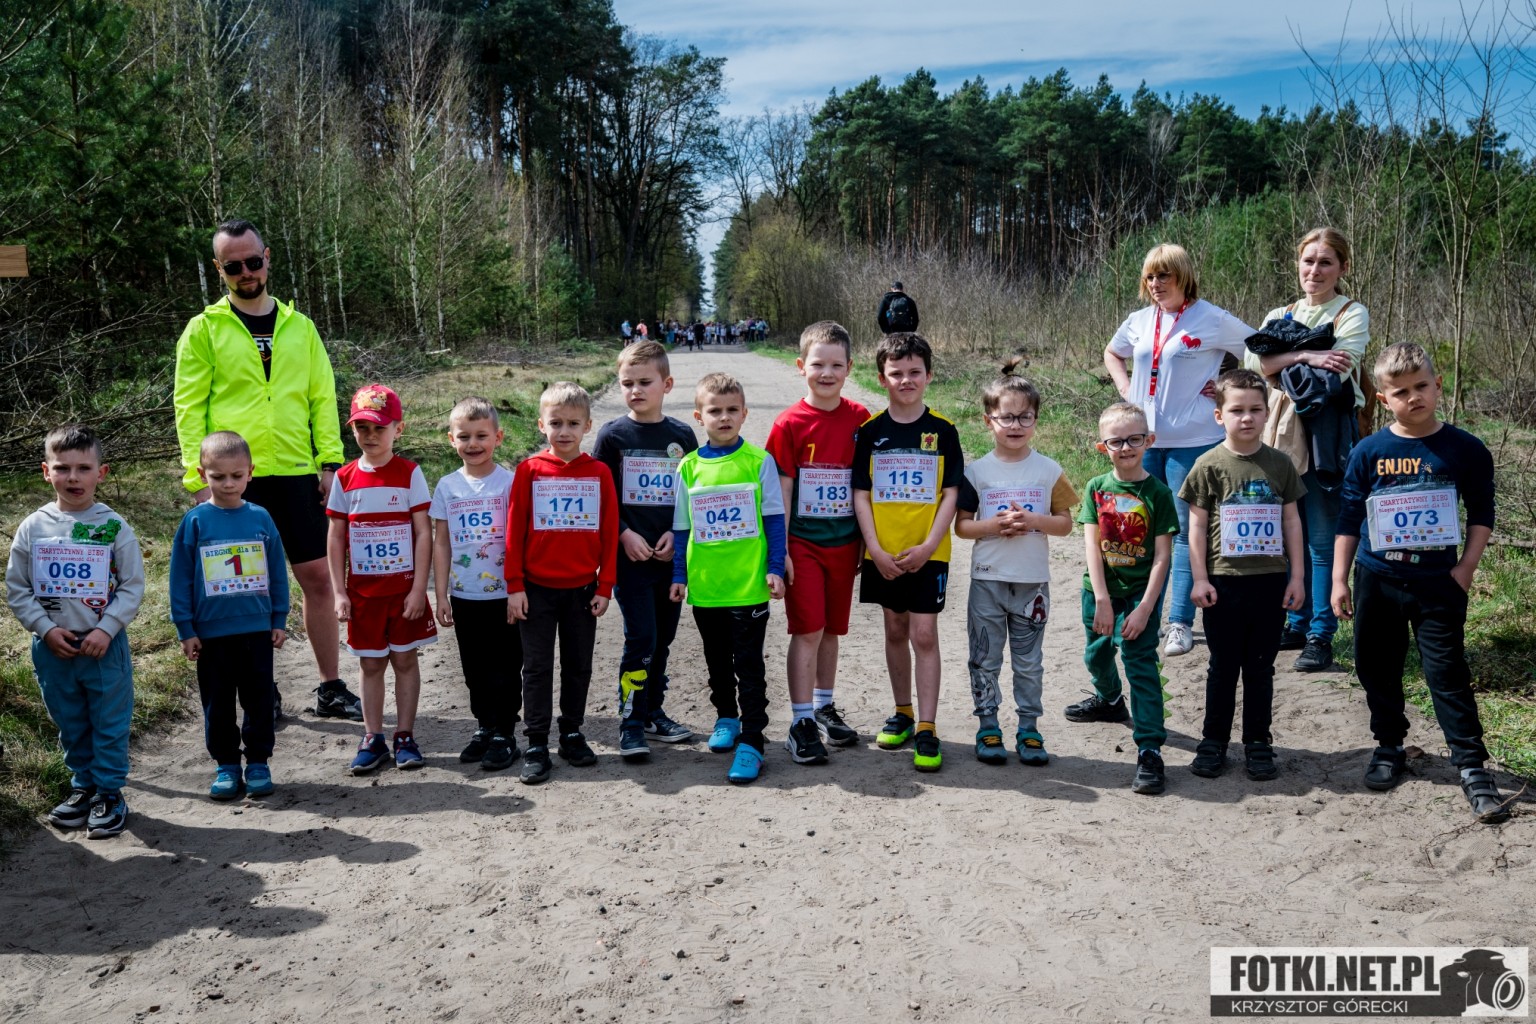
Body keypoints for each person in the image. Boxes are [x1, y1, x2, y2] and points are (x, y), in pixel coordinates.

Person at [173, 219, 360, 723]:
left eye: (253, 261)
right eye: (233, 266)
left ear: (267, 257)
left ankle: (330, 686)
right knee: (246, 587)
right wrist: (198, 478)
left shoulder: (301, 327)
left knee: (318, 578)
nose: (246, 272)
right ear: (219, 269)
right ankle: (262, 689)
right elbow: (189, 408)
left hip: (297, 471)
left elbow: (321, 397)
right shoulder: (204, 329)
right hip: (235, 480)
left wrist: (330, 463)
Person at [1332, 343, 1509, 824]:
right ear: (1382, 399)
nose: (1413, 397)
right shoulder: (1369, 451)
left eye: (1421, 386)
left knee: (1446, 672)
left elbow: (1483, 513)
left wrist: (1466, 569)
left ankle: (1471, 766)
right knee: (1376, 666)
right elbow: (1348, 519)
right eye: (1400, 391)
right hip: (1378, 577)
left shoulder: (1465, 448)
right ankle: (1389, 745)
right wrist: (1339, 580)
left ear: (1438, 386)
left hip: (1438, 583)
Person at [1103, 243, 1254, 658]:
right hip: (1143, 440)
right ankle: (1143, 615)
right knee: (1140, 529)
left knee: (1187, 531)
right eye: (1150, 276)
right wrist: (1125, 388)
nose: (1156, 283)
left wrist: (1227, 387)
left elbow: (1257, 349)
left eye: (1164, 275)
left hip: (1193, 441)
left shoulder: (1211, 317)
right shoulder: (1139, 320)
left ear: (1183, 276)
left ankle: (1180, 623)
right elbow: (1113, 352)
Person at [5, 425, 145, 838]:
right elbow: (17, 588)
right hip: (53, 648)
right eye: (62, 468)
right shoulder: (33, 527)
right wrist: (45, 629)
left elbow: (132, 586)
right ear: (45, 471)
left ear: (101, 473)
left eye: (83, 468)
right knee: (70, 721)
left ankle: (109, 793)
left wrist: (107, 629)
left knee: (109, 721)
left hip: (103, 647)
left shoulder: (113, 526)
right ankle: (83, 787)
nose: (73, 477)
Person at [1247, 228, 1370, 673]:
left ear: (1342, 268)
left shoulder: (1351, 313)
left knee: (1320, 536)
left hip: (1326, 435)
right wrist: (1309, 356)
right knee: (1285, 534)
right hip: (1279, 433)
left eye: (1325, 262)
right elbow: (1255, 365)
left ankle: (1320, 634)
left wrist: (1283, 358)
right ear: (1297, 264)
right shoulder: (1278, 313)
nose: (1314, 270)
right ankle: (1295, 623)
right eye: (1308, 261)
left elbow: (1339, 370)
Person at [1180, 370, 1305, 781]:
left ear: (1268, 413)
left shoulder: (1281, 464)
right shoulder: (1208, 465)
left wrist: (1297, 578)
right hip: (1223, 583)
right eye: (1236, 410)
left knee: (1260, 667)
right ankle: (1213, 741)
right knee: (1223, 666)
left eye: (1255, 409)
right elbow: (1195, 528)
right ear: (1219, 415)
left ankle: (1257, 742)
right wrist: (1200, 578)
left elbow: (1292, 522)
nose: (1246, 418)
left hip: (1270, 581)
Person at [955, 359, 1078, 766]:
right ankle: (988, 726)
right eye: (1006, 417)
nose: (1016, 425)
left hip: (1032, 583)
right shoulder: (976, 472)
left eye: (1025, 417)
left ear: (1036, 420)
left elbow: (1065, 524)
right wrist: (994, 526)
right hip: (987, 580)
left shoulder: (1049, 470)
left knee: (1029, 663)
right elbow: (962, 527)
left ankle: (1029, 728)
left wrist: (1034, 521)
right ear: (988, 420)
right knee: (984, 659)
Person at [851, 332, 963, 772]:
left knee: (924, 635)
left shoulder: (943, 431)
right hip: (884, 554)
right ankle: (903, 712)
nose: (906, 380)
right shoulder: (870, 432)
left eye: (915, 372)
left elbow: (951, 493)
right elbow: (861, 494)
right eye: (896, 373)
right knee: (895, 629)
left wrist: (930, 545)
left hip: (928, 553)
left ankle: (928, 727)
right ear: (882, 378)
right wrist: (875, 549)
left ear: (929, 375)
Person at [670, 372, 787, 783]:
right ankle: (726, 717)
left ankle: (752, 741)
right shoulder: (688, 467)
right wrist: (679, 574)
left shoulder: (758, 461)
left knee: (749, 665)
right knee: (716, 659)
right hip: (707, 586)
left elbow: (774, 519)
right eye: (715, 411)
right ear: (699, 416)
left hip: (748, 585)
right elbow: (681, 526)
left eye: (732, 410)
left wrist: (775, 567)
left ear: (744, 414)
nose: (724, 417)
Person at [764, 321, 870, 764]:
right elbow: (782, 489)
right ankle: (801, 719)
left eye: (836, 365)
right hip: (803, 543)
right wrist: (782, 550)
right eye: (817, 364)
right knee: (807, 628)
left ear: (849, 368)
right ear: (800, 366)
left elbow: (865, 486)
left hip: (844, 543)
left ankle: (825, 706)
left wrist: (866, 541)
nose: (827, 373)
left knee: (831, 629)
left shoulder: (861, 419)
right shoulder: (788, 423)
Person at [505, 382, 618, 785]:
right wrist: (514, 585)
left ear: (588, 425)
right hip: (535, 590)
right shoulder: (530, 470)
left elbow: (609, 531)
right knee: (536, 668)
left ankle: (571, 732)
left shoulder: (599, 472)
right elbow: (514, 530)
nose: (564, 431)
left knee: (578, 665)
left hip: (582, 590)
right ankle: (536, 742)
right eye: (556, 423)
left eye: (573, 423)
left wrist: (605, 586)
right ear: (542, 425)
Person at [170, 431, 290, 800]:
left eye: (236, 475)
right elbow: (180, 578)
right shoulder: (195, 522)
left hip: (256, 630)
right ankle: (226, 764)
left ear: (250, 472)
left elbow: (277, 571)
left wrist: (278, 618)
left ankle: (258, 762)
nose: (228, 483)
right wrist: (185, 628)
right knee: (217, 704)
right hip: (211, 635)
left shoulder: (261, 517)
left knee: (258, 700)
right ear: (201, 474)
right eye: (218, 476)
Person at [593, 341, 699, 760]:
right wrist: (623, 534)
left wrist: (677, 533)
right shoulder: (612, 436)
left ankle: (653, 712)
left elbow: (693, 495)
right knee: (641, 639)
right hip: (630, 561)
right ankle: (631, 722)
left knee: (664, 640)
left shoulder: (682, 436)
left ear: (666, 384)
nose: (635, 390)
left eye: (644, 382)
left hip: (670, 560)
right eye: (627, 383)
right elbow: (601, 498)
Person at [326, 384, 437, 775]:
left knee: (405, 660)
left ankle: (404, 735)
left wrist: (419, 589)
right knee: (371, 665)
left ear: (398, 429)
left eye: (379, 427)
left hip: (402, 594)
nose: (370, 436)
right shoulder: (344, 477)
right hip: (364, 597)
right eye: (362, 428)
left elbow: (423, 532)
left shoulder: (409, 474)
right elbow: (336, 537)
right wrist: (339, 592)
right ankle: (372, 737)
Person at [1071, 403, 1178, 795]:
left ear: (1149, 441)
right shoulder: (1096, 488)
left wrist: (1146, 608)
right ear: (1103, 447)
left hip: (1139, 596)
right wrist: (1101, 598)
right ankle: (1110, 699)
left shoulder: (1158, 493)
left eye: (1135, 439)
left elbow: (1163, 557)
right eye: (1116, 441)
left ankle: (1149, 748)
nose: (1126, 447)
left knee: (1140, 665)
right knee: (1096, 655)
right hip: (1099, 592)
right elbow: (1092, 545)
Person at [430, 397, 522, 772]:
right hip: (464, 595)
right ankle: (484, 725)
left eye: (481, 435)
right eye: (464, 436)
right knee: (474, 667)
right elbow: (441, 542)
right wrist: (441, 594)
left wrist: (518, 589)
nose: (473, 444)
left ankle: (505, 733)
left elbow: (519, 539)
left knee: (506, 665)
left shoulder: (510, 483)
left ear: (498, 437)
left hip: (504, 595)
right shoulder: (447, 486)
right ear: (451, 439)